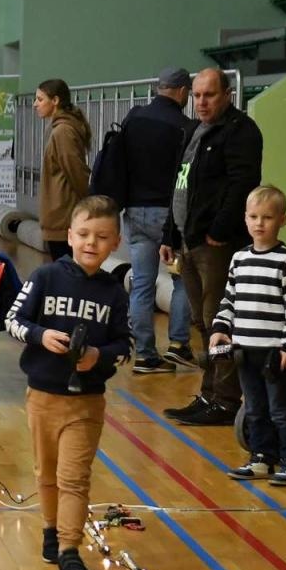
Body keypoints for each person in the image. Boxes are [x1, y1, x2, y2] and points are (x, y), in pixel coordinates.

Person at [5, 195, 130, 570]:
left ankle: (70, 550)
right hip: (42, 395)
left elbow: (125, 348)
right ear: (71, 236)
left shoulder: (115, 293)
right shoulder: (45, 277)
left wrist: (98, 355)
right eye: (84, 234)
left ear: (116, 242)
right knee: (47, 472)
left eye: (102, 237)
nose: (92, 243)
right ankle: (50, 527)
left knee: (74, 477)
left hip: (87, 401)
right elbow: (12, 320)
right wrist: (41, 336)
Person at [160, 68, 263, 427]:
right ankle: (210, 393)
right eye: (197, 95)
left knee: (219, 320)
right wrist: (170, 234)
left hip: (215, 245)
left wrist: (219, 230)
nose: (201, 102)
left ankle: (226, 400)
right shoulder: (193, 130)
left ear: (227, 94)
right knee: (199, 321)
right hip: (189, 243)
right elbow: (180, 185)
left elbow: (242, 184)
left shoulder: (240, 131)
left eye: (210, 95)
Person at [210, 185, 286, 485]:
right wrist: (220, 328)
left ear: (282, 220)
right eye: (253, 216)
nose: (259, 223)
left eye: (267, 217)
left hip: (274, 352)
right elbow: (229, 299)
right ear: (245, 218)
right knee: (254, 407)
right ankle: (262, 457)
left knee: (280, 409)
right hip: (244, 350)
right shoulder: (239, 259)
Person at [118, 68, 197, 373]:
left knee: (141, 285)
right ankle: (178, 344)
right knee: (181, 280)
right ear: (181, 91)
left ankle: (145, 354)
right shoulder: (185, 126)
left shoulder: (133, 118)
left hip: (136, 212)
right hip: (170, 217)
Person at [33, 78, 92, 261]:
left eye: (40, 99)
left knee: (67, 274)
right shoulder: (59, 129)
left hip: (63, 216)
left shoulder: (63, 131)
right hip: (61, 216)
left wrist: (90, 203)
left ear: (56, 101)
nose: (35, 104)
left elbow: (77, 173)